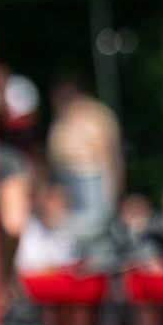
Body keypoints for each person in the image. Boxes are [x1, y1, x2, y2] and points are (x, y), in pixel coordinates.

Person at [46, 78, 122, 238]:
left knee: (93, 227)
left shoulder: (96, 114)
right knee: (65, 226)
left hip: (91, 177)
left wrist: (112, 188)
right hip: (64, 179)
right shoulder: (61, 117)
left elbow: (110, 153)